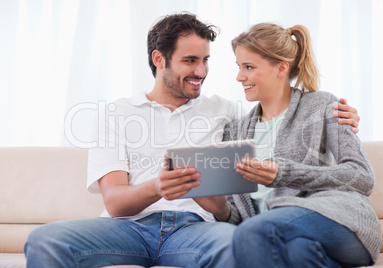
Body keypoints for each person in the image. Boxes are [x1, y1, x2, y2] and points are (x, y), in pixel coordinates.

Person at [24, 13, 360, 268]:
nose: (201, 70)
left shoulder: (227, 111)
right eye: (190, 61)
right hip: (128, 229)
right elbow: (114, 202)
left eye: (206, 60)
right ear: (159, 60)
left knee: (245, 245)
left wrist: (338, 116)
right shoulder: (117, 113)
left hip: (196, 228)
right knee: (44, 240)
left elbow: (281, 115)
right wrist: (159, 187)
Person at [224, 23, 382, 267]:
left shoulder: (323, 106)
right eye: (239, 67)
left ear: (281, 68)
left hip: (338, 218)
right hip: (285, 236)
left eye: (248, 67)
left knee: (251, 232)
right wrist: (216, 207)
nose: (239, 76)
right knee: (298, 252)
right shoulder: (234, 132)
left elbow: (362, 176)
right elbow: (238, 212)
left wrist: (285, 173)